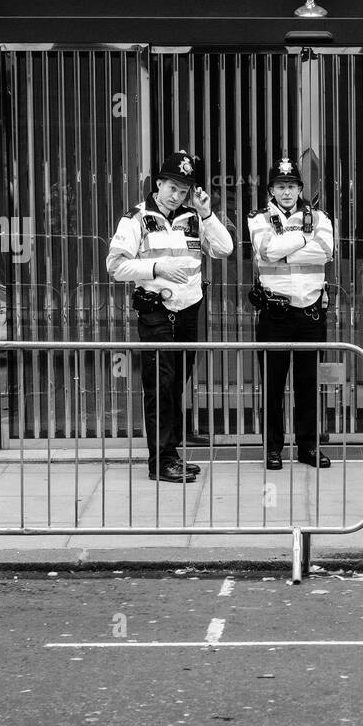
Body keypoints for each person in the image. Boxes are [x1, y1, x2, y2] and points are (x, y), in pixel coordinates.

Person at [106, 150, 233, 482]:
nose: (177, 195)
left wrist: (207, 215)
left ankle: (171, 454)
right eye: (172, 187)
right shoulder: (136, 219)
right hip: (157, 312)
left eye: (183, 189)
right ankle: (160, 462)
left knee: (176, 385)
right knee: (159, 388)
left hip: (189, 314)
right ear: (158, 183)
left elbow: (225, 249)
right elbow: (115, 265)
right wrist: (156, 267)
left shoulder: (193, 217)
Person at [247, 156, 335, 470]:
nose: (287, 192)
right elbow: (266, 252)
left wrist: (284, 247)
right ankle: (273, 449)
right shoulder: (258, 218)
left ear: (300, 188)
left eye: (292, 186)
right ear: (271, 189)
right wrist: (303, 237)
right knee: (272, 386)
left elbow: (326, 252)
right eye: (281, 186)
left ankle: (308, 448)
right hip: (275, 313)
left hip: (311, 313)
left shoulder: (320, 216)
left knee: (309, 384)